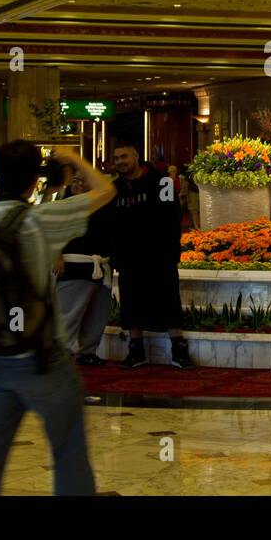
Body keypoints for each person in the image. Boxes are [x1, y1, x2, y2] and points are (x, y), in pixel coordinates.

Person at [0, 142, 116, 496]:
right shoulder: (41, 219)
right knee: (68, 447)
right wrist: (73, 158)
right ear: (34, 179)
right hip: (41, 358)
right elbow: (106, 190)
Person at [105, 141, 193, 369]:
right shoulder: (113, 189)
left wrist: (170, 251)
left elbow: (172, 219)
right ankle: (136, 351)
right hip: (128, 259)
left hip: (159, 257)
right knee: (131, 305)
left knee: (169, 302)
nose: (120, 162)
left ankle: (179, 351)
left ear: (136, 156)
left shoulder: (161, 182)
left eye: (124, 156)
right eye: (116, 159)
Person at [51, 158, 114, 368]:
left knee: (96, 314)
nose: (78, 184)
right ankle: (62, 352)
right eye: (75, 180)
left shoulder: (100, 203)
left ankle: (88, 350)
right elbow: (53, 231)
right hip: (73, 266)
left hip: (99, 265)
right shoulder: (62, 203)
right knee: (69, 314)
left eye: (83, 180)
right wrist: (57, 255)